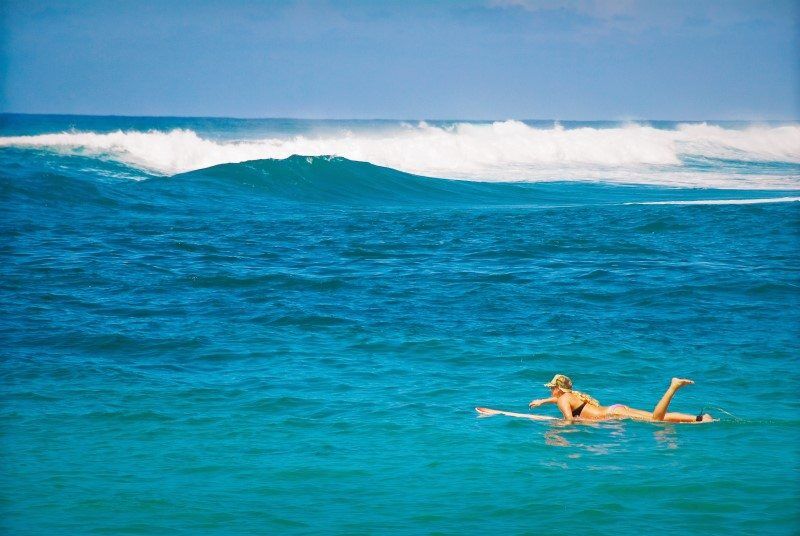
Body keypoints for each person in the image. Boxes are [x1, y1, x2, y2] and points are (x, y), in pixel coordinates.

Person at [528, 374, 713, 423]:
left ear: (557, 389)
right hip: (615, 408)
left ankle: (673, 387)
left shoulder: (563, 400)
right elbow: (559, 401)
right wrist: (542, 401)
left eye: (552, 388)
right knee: (656, 417)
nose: (551, 391)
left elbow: (569, 421)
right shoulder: (571, 395)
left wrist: (556, 429)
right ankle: (699, 418)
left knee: (656, 420)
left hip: (613, 416)